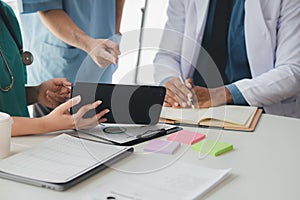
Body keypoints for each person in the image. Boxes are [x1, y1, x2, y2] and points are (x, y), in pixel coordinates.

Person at [154, 0, 300, 118]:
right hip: (195, 110)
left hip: (260, 111)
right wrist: (171, 82)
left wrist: (221, 94)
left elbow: (293, 69)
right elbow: (168, 55)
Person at [0, 1, 109, 136]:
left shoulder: (5, 14)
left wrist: (37, 93)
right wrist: (46, 124)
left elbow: (8, 94)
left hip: (21, 143)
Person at [18, 0, 124, 117]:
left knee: (98, 128)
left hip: (102, 56)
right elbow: (46, 8)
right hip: (58, 72)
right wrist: (89, 44)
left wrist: (114, 32)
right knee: (53, 131)